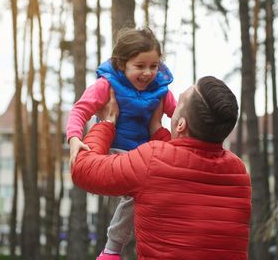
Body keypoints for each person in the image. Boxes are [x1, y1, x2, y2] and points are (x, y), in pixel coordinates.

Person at [72, 76, 252, 260]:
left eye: (177, 104)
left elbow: (83, 170)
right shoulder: (238, 171)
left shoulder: (152, 159)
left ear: (181, 124)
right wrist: (157, 130)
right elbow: (184, 169)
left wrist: (106, 123)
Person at [66, 27, 177, 259]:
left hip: (140, 155)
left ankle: (116, 249)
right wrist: (74, 138)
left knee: (145, 192)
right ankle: (112, 249)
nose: (148, 73)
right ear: (121, 64)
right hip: (112, 150)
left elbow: (178, 117)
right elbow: (80, 109)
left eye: (154, 66)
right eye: (140, 66)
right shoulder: (106, 85)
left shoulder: (161, 90)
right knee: (136, 191)